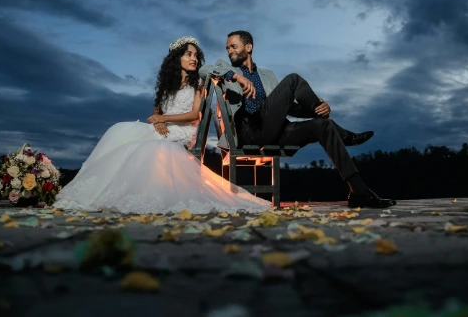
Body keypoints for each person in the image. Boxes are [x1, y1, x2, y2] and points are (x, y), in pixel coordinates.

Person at [54, 36, 271, 214]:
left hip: (181, 132)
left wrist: (163, 119)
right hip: (162, 129)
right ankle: (95, 191)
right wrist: (158, 121)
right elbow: (156, 113)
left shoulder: (198, 84)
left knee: (141, 146)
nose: (194, 58)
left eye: (196, 55)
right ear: (177, 58)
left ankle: (116, 193)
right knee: (119, 129)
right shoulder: (166, 86)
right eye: (188, 54)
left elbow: (195, 115)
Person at [200, 30, 396, 209]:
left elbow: (289, 107)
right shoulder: (225, 67)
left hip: (276, 130)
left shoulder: (267, 75)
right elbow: (203, 71)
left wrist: (318, 109)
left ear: (248, 47)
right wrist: (236, 77)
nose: (229, 51)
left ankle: (359, 191)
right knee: (293, 79)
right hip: (250, 130)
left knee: (323, 125)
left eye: (234, 47)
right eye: (227, 48)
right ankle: (345, 135)